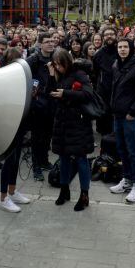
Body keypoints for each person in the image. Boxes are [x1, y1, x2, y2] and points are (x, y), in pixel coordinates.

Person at [49, 49, 94, 211]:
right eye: (55, 64)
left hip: (78, 122)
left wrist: (66, 94)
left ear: (67, 62)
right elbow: (51, 92)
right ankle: (64, 190)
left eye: (60, 64)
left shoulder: (79, 73)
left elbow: (89, 94)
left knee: (81, 158)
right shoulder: (57, 74)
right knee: (64, 157)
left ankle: (84, 195)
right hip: (62, 121)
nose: (58, 67)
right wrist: (51, 75)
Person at [108, 38, 135, 203]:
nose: (122, 49)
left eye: (126, 47)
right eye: (120, 47)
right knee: (121, 148)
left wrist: (133, 111)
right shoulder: (116, 65)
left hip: (130, 116)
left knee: (133, 150)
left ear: (131, 49)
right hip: (117, 114)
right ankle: (126, 179)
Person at [0, 47, 32, 213]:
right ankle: (3, 198)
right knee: (9, 162)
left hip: (19, 123)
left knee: (16, 158)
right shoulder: (1, 76)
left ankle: (12, 190)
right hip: (7, 125)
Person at [26, 32, 58, 181]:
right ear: (40, 44)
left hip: (52, 102)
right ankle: (36, 167)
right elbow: (26, 76)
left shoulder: (55, 58)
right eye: (47, 42)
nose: (51, 44)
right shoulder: (34, 59)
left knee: (47, 135)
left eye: (52, 41)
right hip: (38, 103)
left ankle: (44, 161)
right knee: (36, 137)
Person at [93, 27, 120, 135]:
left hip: (119, 90)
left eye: (111, 34)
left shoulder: (120, 51)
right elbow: (95, 72)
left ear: (116, 36)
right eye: (106, 34)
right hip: (103, 90)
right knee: (104, 118)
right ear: (103, 37)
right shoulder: (98, 55)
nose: (109, 36)